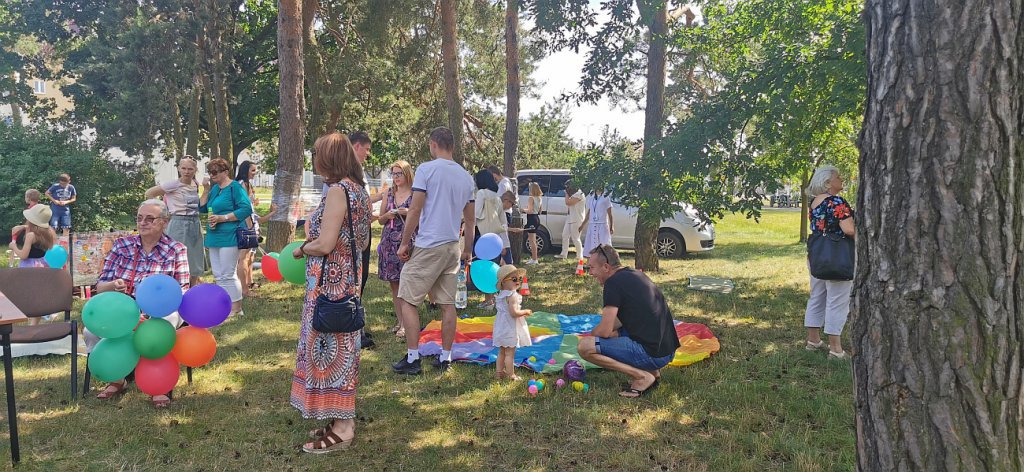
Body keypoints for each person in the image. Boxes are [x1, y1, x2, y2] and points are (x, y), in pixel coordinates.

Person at [290, 131, 370, 454]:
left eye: (319, 156)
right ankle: (336, 416)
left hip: (330, 286)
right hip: (345, 282)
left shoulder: (339, 191)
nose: (316, 162)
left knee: (329, 352)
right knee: (340, 352)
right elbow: (361, 242)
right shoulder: (360, 191)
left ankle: (343, 427)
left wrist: (301, 249)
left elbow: (325, 243)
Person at [90, 199, 190, 408]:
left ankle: (159, 384)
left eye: (150, 218)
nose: (143, 223)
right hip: (125, 308)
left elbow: (182, 290)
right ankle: (117, 378)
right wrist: (113, 285)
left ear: (164, 222)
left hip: (162, 309)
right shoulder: (122, 245)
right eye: (139, 218)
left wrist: (150, 311)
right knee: (91, 333)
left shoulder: (176, 249)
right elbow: (99, 287)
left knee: (161, 328)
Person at [392, 127, 475, 375]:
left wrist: (405, 243)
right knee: (447, 304)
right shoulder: (466, 176)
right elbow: (470, 221)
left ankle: (413, 358)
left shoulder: (426, 170)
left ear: (433, 144)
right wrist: (467, 250)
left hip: (429, 243)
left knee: (407, 299)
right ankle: (446, 357)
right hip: (452, 245)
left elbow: (415, 210)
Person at [577, 244, 680, 398]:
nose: (590, 272)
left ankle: (642, 377)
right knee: (610, 335)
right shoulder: (635, 274)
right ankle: (652, 372)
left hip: (653, 354)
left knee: (585, 346)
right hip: (667, 350)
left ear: (606, 267)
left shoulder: (612, 283)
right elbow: (621, 321)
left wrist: (593, 335)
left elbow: (604, 331)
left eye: (591, 268)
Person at [803, 165, 855, 360]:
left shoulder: (815, 202)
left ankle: (813, 340)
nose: (841, 179)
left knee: (817, 295)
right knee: (837, 301)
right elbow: (849, 230)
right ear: (827, 182)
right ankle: (836, 349)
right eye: (837, 177)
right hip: (837, 256)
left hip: (817, 255)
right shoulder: (837, 202)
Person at [199, 158, 252, 317]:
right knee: (218, 275)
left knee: (228, 273)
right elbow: (201, 208)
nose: (212, 174)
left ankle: (237, 308)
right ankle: (224, 306)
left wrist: (224, 218)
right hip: (214, 235)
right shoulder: (215, 189)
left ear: (225, 172)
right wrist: (206, 189)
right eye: (210, 172)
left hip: (229, 235)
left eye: (215, 172)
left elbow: (246, 209)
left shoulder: (235, 187)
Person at [145, 157, 205, 286]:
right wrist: (163, 211)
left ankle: (192, 288)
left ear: (195, 170)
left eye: (190, 169)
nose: (187, 171)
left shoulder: (195, 184)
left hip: (194, 222)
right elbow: (149, 193)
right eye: (183, 168)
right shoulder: (173, 184)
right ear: (178, 168)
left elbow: (199, 204)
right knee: (177, 256)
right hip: (178, 222)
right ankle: (175, 287)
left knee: (194, 257)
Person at [376, 160, 415, 337]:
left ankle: (409, 323)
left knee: (407, 284)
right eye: (394, 174)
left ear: (407, 174)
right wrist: (388, 214)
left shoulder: (416, 194)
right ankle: (401, 322)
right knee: (395, 284)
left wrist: (408, 212)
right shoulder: (389, 193)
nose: (396, 177)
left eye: (399, 173)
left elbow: (422, 218)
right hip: (389, 242)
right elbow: (380, 220)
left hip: (408, 242)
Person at [232, 160, 278, 297]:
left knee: (250, 256)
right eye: (252, 170)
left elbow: (248, 205)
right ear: (245, 170)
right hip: (246, 224)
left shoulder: (247, 185)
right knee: (243, 258)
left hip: (251, 223)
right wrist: (250, 225)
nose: (255, 173)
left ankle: (249, 282)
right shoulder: (242, 185)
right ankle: (244, 290)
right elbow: (242, 207)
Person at [492, 264, 531, 380]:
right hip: (509, 327)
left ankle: (499, 372)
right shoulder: (512, 296)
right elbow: (513, 313)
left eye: (519, 279)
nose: (517, 281)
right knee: (510, 353)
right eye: (514, 279)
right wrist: (525, 312)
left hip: (500, 327)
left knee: (502, 351)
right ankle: (510, 374)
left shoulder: (500, 295)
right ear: (504, 282)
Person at [474, 168, 505, 309]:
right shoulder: (497, 197)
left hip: (483, 235)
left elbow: (477, 213)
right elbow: (502, 219)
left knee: (484, 267)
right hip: (495, 237)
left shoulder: (481, 193)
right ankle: (495, 297)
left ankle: (489, 300)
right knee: (494, 266)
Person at [489, 166, 515, 265]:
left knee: (503, 239)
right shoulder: (507, 181)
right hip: (501, 243)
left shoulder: (502, 184)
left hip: (504, 214)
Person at [556, 180, 585, 260]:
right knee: (565, 235)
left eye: (568, 187)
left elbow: (568, 202)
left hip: (577, 219)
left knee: (575, 238)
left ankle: (579, 256)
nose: (567, 189)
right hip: (570, 218)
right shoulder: (574, 194)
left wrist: (566, 193)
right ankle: (563, 254)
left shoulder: (579, 194)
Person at [580, 188, 614, 257]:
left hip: (602, 224)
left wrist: (612, 226)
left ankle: (604, 260)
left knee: (603, 243)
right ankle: (590, 261)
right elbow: (589, 213)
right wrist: (582, 225)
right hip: (592, 224)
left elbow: (610, 214)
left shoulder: (605, 198)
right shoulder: (592, 198)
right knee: (591, 244)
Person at [523, 182, 543, 265]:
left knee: (532, 240)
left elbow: (530, 211)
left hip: (531, 218)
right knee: (533, 239)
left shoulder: (531, 198)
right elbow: (540, 211)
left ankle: (534, 259)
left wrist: (523, 210)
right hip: (536, 218)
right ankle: (534, 258)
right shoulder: (539, 198)